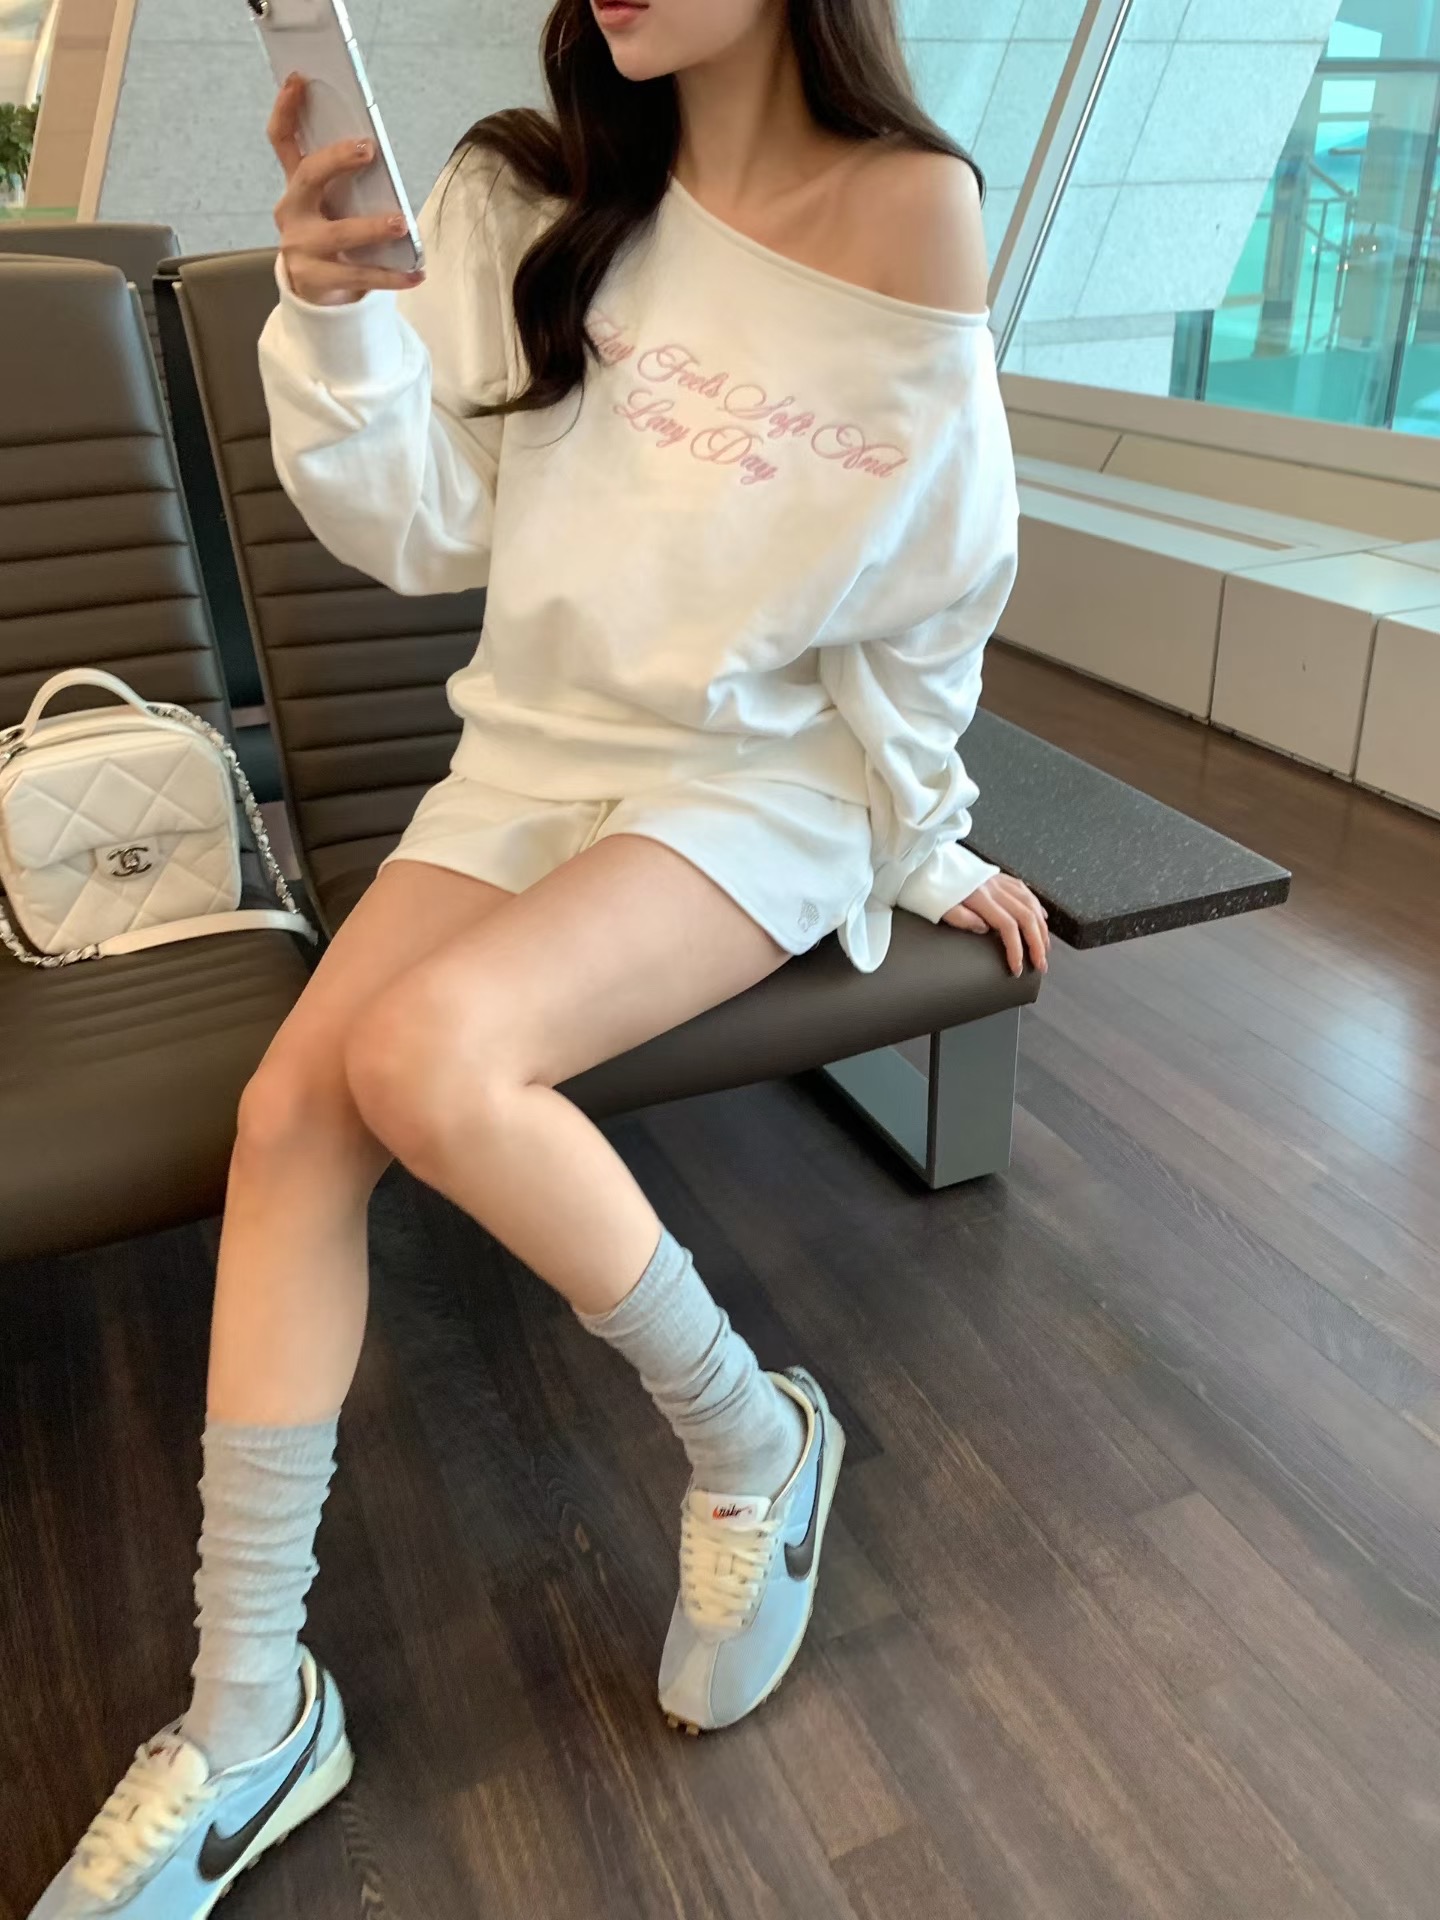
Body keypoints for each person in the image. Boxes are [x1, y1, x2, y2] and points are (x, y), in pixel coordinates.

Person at [29, 0, 1048, 1913]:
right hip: (532, 757)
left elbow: (939, 577)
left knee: (428, 1057)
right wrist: (331, 315)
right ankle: (252, 1715)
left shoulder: (911, 205)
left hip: (764, 778)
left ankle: (756, 1443)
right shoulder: (526, 189)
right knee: (289, 1120)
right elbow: (420, 527)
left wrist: (922, 838)